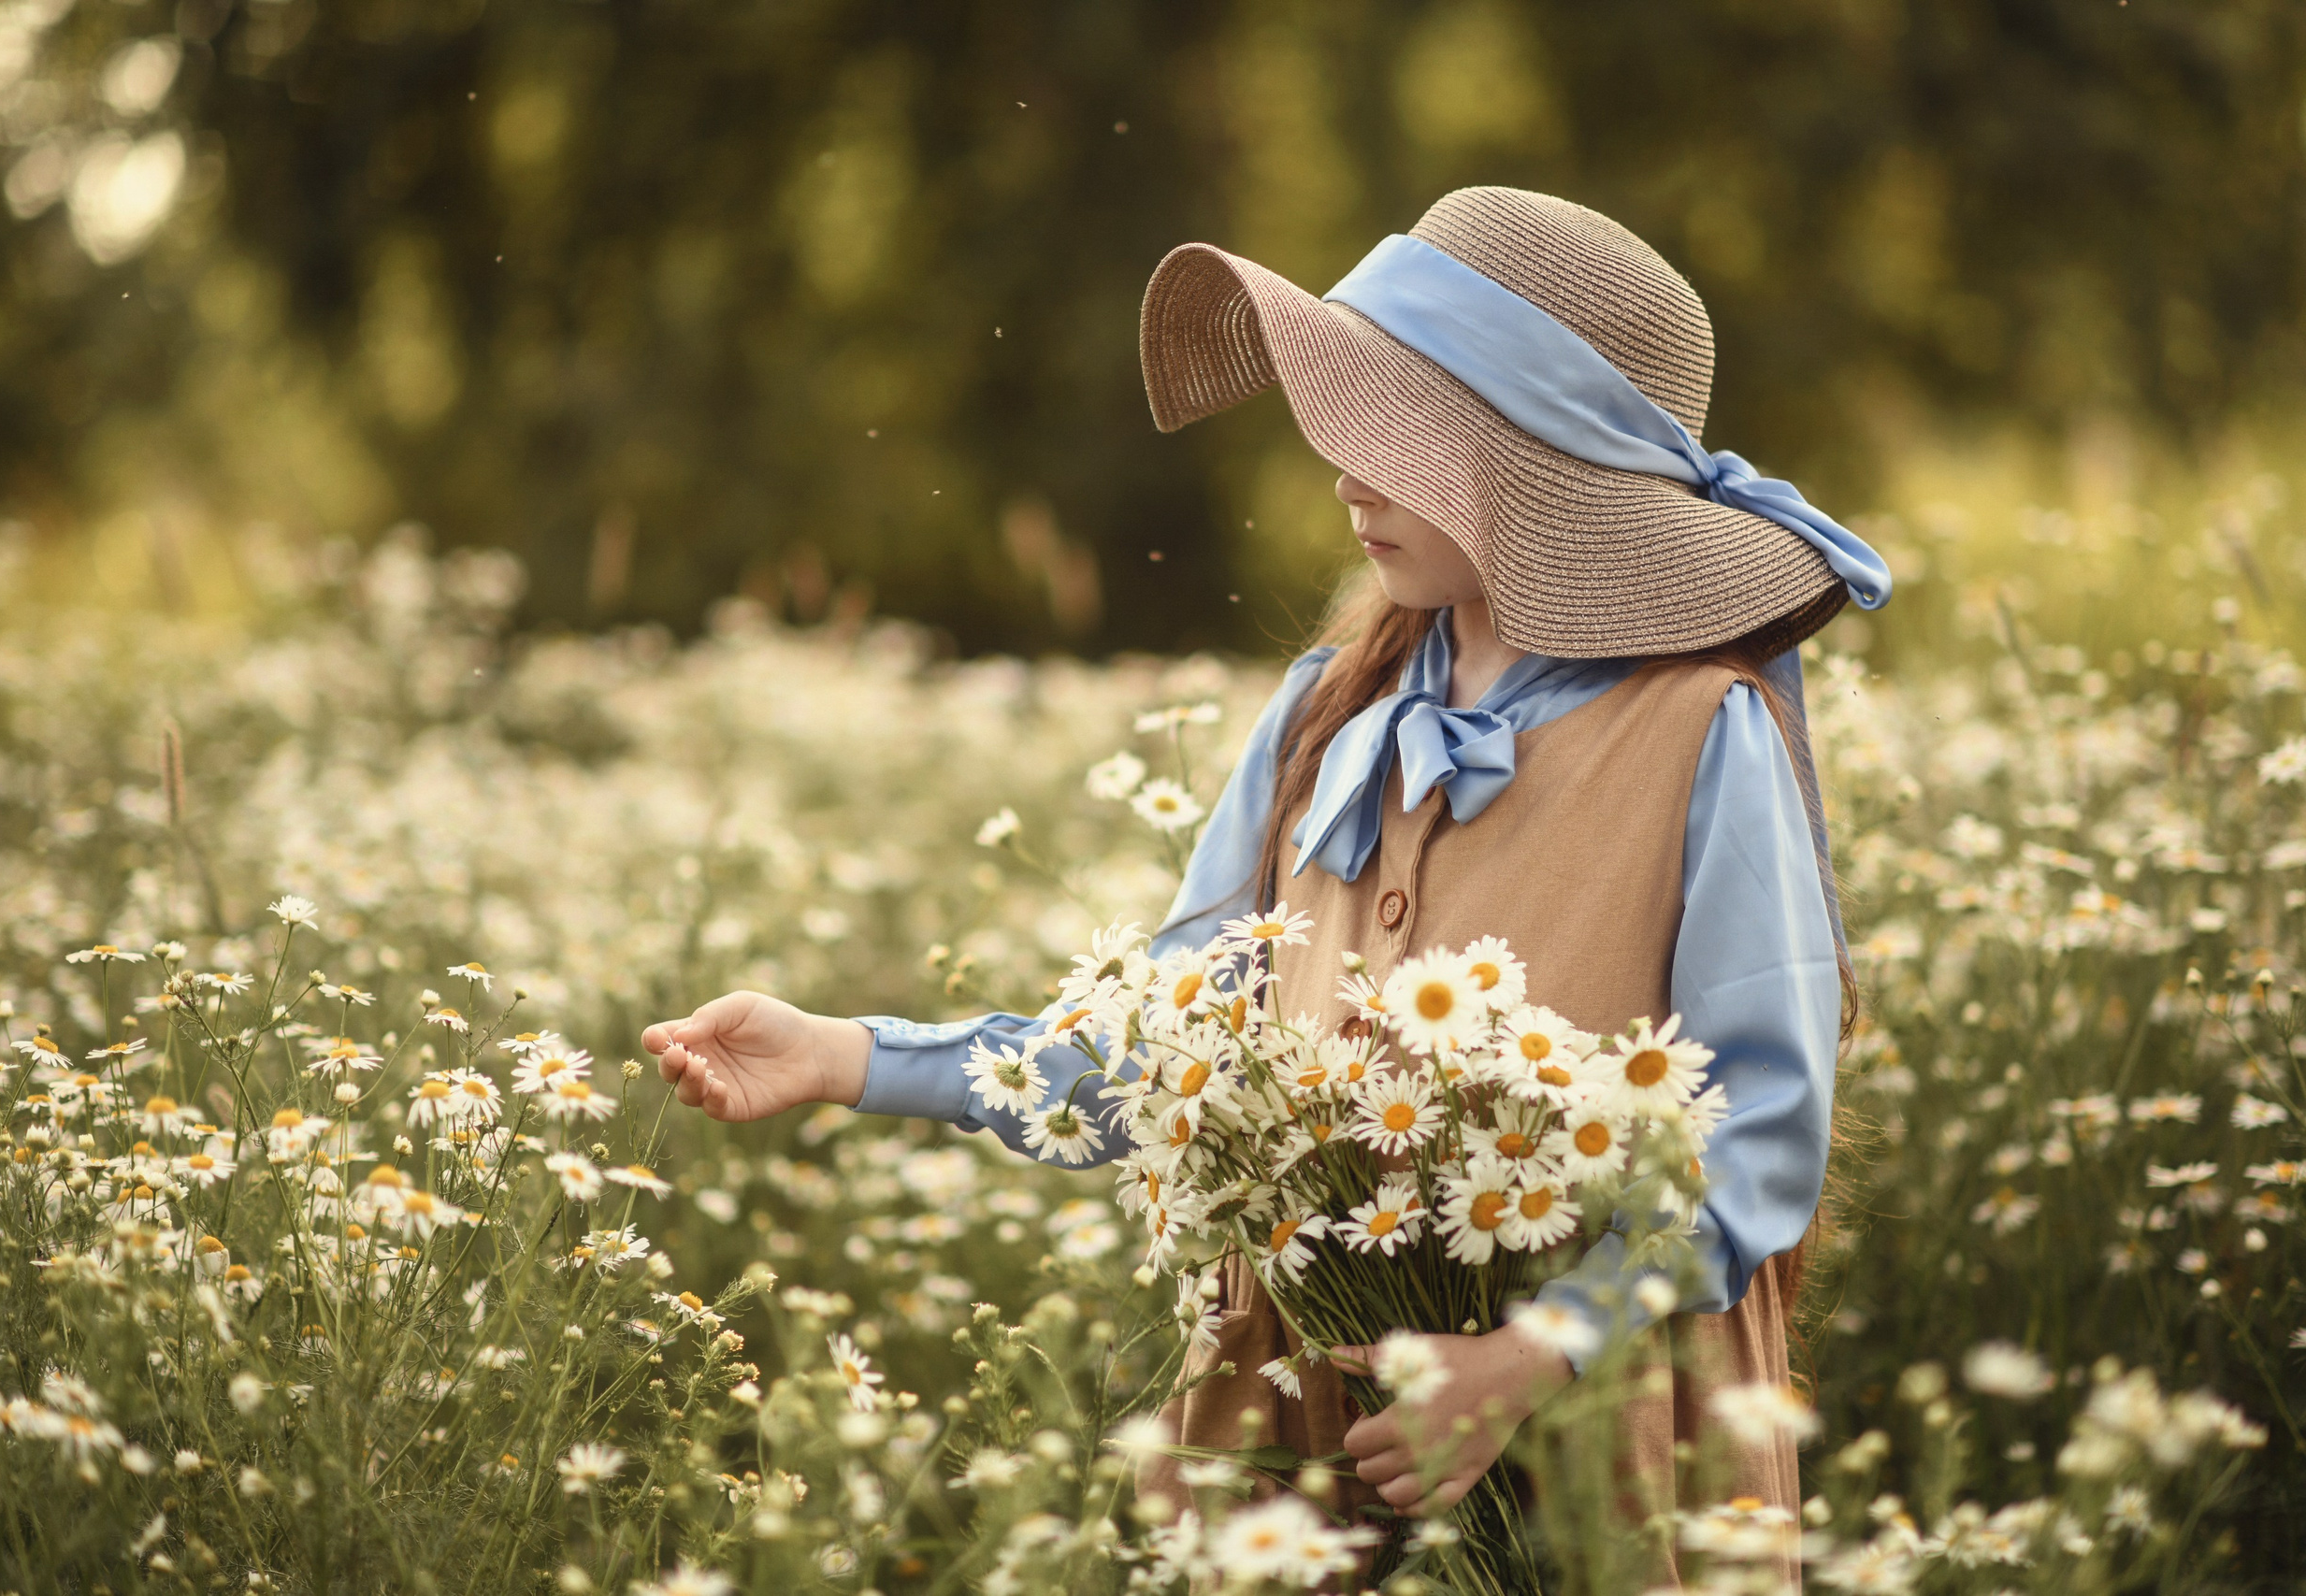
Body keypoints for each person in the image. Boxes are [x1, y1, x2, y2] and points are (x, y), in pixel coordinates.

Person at [642, 188, 1887, 1576]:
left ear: (1537, 464)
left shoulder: (1695, 731)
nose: (1349, 476)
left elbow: (1759, 1134)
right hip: (1290, 1429)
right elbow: (1168, 1059)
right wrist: (850, 1055)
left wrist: (1529, 1359)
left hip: (1597, 1434)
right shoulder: (1319, 717)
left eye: (1401, 440)